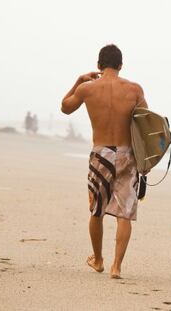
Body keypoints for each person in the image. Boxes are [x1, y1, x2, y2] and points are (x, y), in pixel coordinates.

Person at [61, 44, 147, 279]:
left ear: (99, 65)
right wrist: (146, 162)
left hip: (101, 155)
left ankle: (98, 259)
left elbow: (65, 107)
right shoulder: (134, 90)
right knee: (124, 213)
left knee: (97, 210)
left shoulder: (87, 89)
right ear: (121, 65)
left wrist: (79, 81)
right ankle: (116, 267)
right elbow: (147, 126)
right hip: (127, 154)